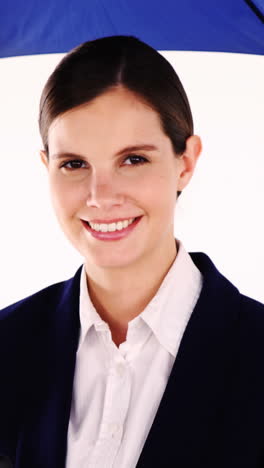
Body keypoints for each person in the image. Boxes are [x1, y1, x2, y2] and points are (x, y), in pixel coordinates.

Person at [0, 35, 264, 468]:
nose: (101, 197)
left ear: (186, 162)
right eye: (74, 164)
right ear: (47, 168)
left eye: (133, 159)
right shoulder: (8, 345)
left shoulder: (255, 355)